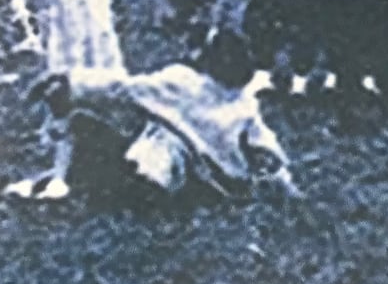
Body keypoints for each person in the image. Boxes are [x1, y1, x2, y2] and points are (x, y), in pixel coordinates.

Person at [24, 25, 300, 203]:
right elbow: (267, 148)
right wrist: (288, 185)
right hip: (206, 190)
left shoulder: (181, 82)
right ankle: (62, 183)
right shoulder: (245, 104)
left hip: (154, 174)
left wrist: (68, 79)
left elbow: (119, 87)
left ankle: (59, 182)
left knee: (82, 123)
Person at [4, 0, 128, 201]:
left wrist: (71, 78)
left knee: (79, 98)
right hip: (75, 66)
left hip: (89, 69)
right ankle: (66, 157)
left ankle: (68, 169)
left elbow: (93, 36)